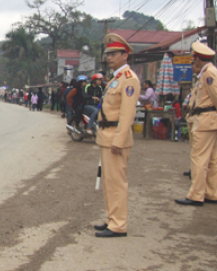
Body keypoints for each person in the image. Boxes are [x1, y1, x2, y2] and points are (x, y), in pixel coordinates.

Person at [94, 33, 140, 238]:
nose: (109, 57)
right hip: (107, 135)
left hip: (115, 136)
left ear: (125, 55)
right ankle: (112, 218)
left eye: (114, 54)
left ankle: (118, 224)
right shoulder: (116, 79)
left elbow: (128, 114)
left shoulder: (129, 80)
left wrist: (119, 140)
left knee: (117, 182)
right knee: (109, 182)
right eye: (108, 54)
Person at [175, 42, 217, 207]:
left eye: (194, 58)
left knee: (199, 158)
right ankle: (211, 193)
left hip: (205, 119)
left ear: (198, 59)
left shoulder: (208, 74)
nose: (193, 61)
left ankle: (196, 195)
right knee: (212, 159)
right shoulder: (210, 72)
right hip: (208, 119)